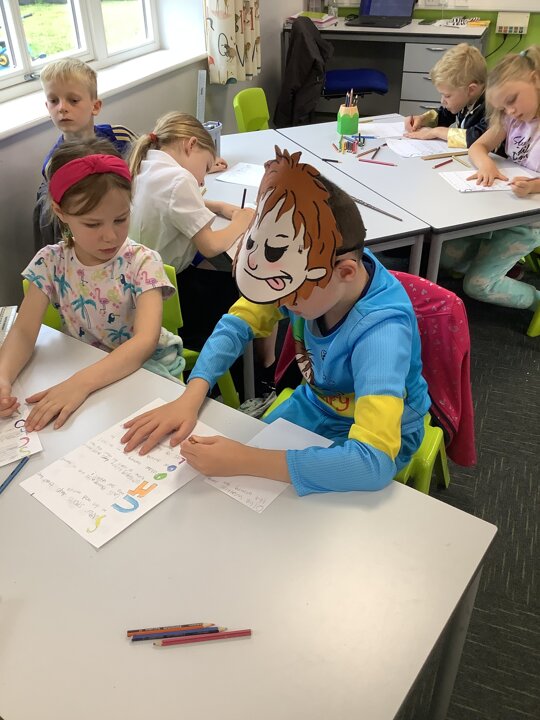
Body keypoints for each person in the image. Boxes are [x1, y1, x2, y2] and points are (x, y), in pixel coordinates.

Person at [121, 147, 431, 496]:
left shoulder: (381, 333)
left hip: (388, 432)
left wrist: (245, 459)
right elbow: (236, 324)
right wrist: (190, 397)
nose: (279, 302)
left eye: (291, 295)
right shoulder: (315, 266)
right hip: (316, 404)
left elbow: (372, 464)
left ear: (346, 272)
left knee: (279, 498)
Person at [0, 139, 182, 431]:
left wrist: (79, 384)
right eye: (93, 224)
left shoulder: (142, 262)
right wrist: (3, 378)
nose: (110, 236)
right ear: (61, 212)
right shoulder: (51, 262)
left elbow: (144, 342)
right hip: (86, 368)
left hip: (147, 369)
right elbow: (23, 331)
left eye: (121, 219)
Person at [128, 111, 254, 351]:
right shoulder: (179, 179)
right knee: (241, 287)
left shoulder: (145, 163)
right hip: (170, 294)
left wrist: (218, 206)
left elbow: (167, 202)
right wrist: (242, 221)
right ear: (191, 145)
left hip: (139, 288)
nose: (203, 181)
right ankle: (254, 366)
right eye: (205, 167)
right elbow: (211, 246)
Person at [439, 46, 540, 312]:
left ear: (536, 79)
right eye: (504, 107)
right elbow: (478, 146)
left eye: (513, 100)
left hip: (530, 223)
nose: (510, 111)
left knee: (478, 286)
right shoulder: (512, 119)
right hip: (502, 210)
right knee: (444, 256)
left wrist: (534, 186)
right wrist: (486, 166)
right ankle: (501, 265)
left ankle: (536, 300)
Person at [34, 58, 137, 250]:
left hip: (130, 224)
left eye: (73, 100)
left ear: (95, 106)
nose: (62, 108)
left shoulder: (121, 137)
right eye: (54, 101)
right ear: (47, 107)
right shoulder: (54, 165)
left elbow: (144, 174)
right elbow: (65, 222)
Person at [404, 43, 488, 148]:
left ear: (471, 90)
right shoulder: (465, 99)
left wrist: (436, 132)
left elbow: (476, 138)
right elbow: (444, 115)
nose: (442, 101)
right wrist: (423, 119)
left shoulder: (492, 108)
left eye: (447, 96)